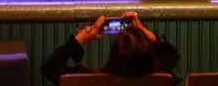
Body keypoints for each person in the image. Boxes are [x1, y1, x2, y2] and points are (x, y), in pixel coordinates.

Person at [41, 12, 179, 85]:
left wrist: (80, 39)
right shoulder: (161, 75)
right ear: (149, 55)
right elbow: (171, 53)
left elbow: (49, 67)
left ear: (114, 55)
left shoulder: (88, 79)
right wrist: (146, 33)